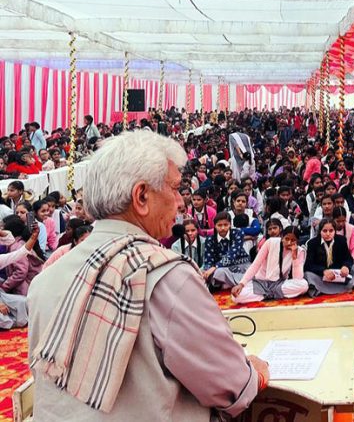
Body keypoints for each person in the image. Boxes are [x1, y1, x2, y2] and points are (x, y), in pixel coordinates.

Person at [27, 131, 267, 420]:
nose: (180, 202)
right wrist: (257, 372)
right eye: (175, 189)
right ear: (141, 196)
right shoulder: (167, 276)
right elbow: (233, 386)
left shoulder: (45, 280)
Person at [229, 226, 309, 304]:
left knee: (303, 285)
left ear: (298, 241)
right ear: (282, 237)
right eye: (287, 239)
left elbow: (297, 279)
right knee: (236, 297)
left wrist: (294, 257)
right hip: (261, 283)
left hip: (279, 284)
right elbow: (256, 265)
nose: (289, 243)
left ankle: (265, 295)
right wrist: (242, 284)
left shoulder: (299, 251)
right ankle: (270, 295)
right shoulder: (271, 242)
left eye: (293, 240)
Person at [304, 218, 354, 297]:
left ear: (335, 231)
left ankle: (340, 287)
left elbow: (348, 258)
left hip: (339, 274)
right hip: (322, 276)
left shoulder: (341, 240)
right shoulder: (313, 243)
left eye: (331, 231)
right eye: (325, 231)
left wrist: (346, 266)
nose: (328, 234)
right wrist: (323, 271)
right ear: (320, 231)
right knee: (307, 275)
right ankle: (326, 289)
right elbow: (308, 265)